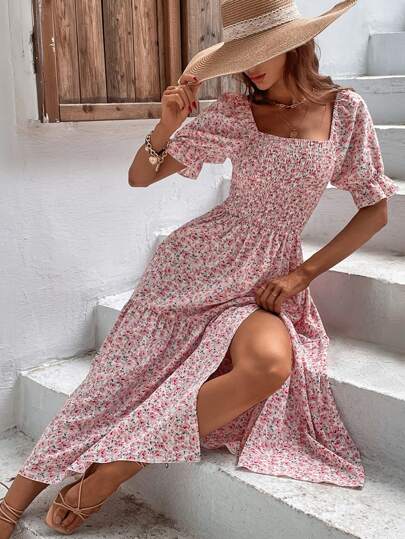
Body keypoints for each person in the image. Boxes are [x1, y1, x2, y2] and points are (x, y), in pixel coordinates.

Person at [0, 0, 399, 536]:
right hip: (195, 267)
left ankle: (112, 471)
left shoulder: (345, 111)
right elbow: (141, 176)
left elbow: (375, 210)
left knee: (268, 366)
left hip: (265, 279)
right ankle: (13, 500)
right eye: (240, 56)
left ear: (294, 44)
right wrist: (167, 126)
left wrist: (302, 275)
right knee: (118, 381)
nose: (250, 67)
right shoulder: (236, 113)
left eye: (260, 51)